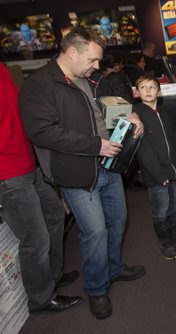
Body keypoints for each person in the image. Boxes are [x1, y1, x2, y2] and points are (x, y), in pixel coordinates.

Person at [18, 27, 146, 320]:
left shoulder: (86, 78)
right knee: (95, 232)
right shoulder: (38, 85)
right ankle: (97, 289)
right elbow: (43, 132)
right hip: (76, 173)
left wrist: (130, 113)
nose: (97, 66)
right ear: (71, 52)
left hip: (108, 165)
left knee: (117, 221)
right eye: (92, 59)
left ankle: (114, 268)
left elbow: (103, 110)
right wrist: (96, 145)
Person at [0, 62, 82, 314]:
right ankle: (42, 298)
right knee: (35, 239)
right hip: (8, 173)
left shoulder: (2, 68)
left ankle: (52, 275)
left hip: (27, 162)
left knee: (56, 214)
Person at [133, 74, 176, 260]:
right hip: (156, 175)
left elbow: (174, 143)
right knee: (161, 209)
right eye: (143, 87)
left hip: (173, 171)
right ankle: (165, 241)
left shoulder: (164, 113)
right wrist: (159, 174)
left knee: (175, 204)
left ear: (159, 91)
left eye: (152, 87)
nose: (148, 90)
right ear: (137, 93)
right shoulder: (138, 114)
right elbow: (143, 150)